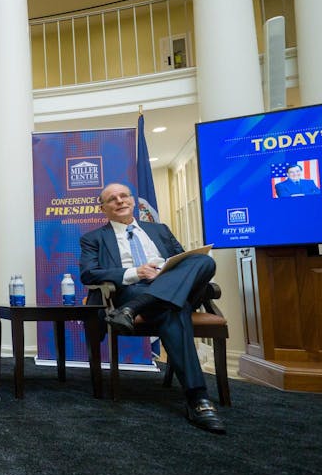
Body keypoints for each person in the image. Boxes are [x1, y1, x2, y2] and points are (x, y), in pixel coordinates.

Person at [79, 183, 225, 434]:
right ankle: (198, 398)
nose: (120, 201)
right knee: (172, 309)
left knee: (202, 261)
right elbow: (88, 273)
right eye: (112, 199)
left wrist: (165, 275)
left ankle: (133, 309)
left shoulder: (159, 230)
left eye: (124, 196)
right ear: (103, 208)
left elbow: (185, 261)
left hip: (167, 286)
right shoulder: (93, 238)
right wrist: (136, 272)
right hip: (134, 289)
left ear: (133, 201)